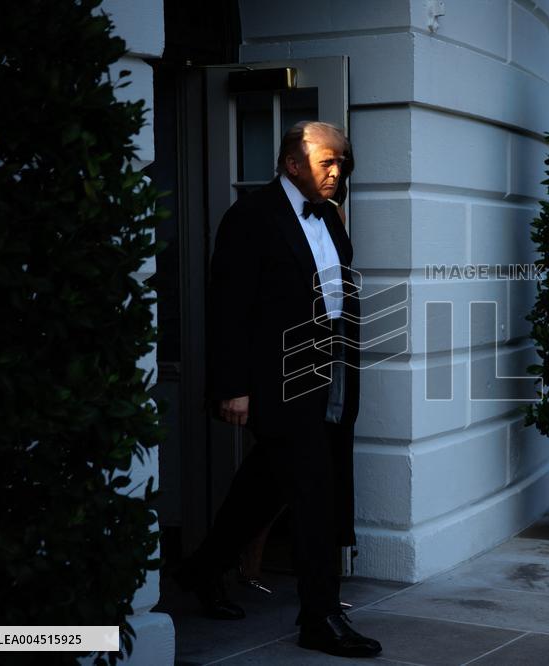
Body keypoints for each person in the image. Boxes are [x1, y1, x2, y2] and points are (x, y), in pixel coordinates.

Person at [175, 121, 380, 659]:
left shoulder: (331, 216)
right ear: (293, 165)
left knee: (265, 485)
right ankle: (321, 618)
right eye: (326, 163)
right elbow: (229, 308)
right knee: (316, 492)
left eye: (342, 163)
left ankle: (201, 568)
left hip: (330, 369)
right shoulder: (250, 217)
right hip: (277, 379)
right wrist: (233, 387)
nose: (337, 173)